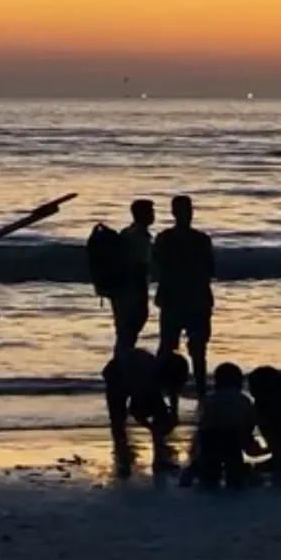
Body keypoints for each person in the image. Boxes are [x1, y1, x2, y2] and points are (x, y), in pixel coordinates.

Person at [154, 195, 214, 403]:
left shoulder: (164, 238)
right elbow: (210, 269)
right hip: (195, 299)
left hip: (175, 299)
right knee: (196, 350)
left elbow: (157, 268)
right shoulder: (201, 239)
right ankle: (200, 392)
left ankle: (165, 392)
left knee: (169, 348)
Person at [102, 348, 189, 477]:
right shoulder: (147, 380)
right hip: (115, 375)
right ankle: (122, 460)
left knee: (161, 416)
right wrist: (152, 427)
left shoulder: (164, 372)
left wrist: (174, 414)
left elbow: (173, 391)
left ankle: (159, 460)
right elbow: (136, 411)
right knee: (118, 421)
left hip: (132, 368)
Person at [179, 362, 264, 489]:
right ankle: (243, 478)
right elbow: (250, 422)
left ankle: (193, 475)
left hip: (209, 438)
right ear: (239, 382)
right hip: (232, 439)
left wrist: (195, 449)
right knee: (234, 473)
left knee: (209, 469)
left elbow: (202, 423)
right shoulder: (243, 400)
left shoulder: (209, 399)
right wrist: (249, 442)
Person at [112, 199, 155, 355]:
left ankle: (119, 365)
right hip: (132, 294)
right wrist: (142, 299)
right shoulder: (140, 237)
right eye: (150, 212)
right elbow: (140, 269)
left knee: (123, 334)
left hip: (120, 293)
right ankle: (120, 367)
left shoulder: (126, 232)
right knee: (128, 335)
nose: (153, 215)